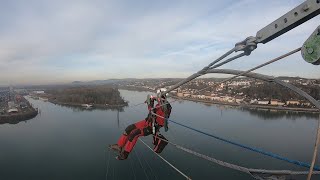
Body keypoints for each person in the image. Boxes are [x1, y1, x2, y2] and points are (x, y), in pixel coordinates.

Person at [110, 92, 172, 160]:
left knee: (134, 133)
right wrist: (152, 99)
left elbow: (153, 109)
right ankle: (119, 146)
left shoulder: (166, 107)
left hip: (152, 127)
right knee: (129, 128)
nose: (159, 99)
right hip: (147, 122)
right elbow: (155, 103)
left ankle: (125, 154)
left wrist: (150, 102)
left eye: (160, 98)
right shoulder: (160, 104)